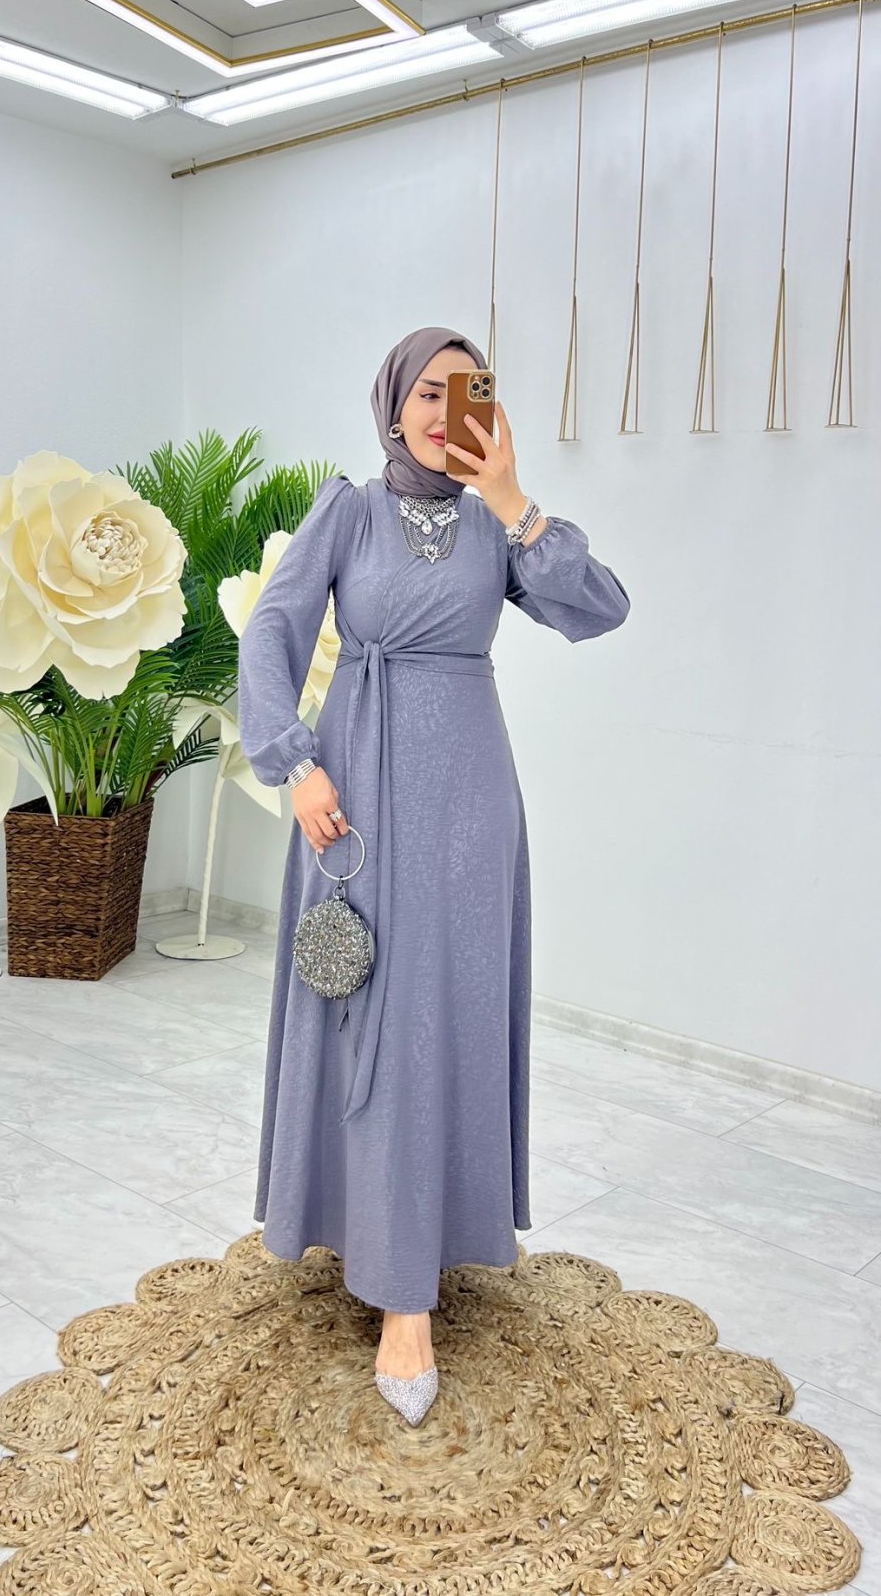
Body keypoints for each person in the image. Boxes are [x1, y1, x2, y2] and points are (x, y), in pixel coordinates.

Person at [236, 325, 630, 1425]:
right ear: (392, 403)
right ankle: (367, 1239)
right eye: (426, 391)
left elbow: (599, 608)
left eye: (468, 392)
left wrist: (513, 500)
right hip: (353, 788)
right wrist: (294, 762)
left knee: (443, 1011)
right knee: (364, 1002)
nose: (443, 410)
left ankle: (415, 1279)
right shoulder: (349, 510)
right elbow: (270, 633)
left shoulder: (497, 526)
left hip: (466, 801)